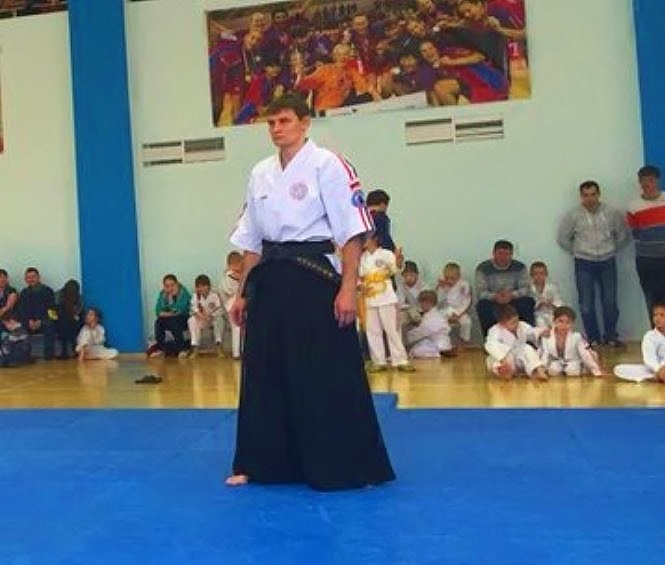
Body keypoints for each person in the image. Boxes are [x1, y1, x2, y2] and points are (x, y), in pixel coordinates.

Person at [225, 93, 395, 491]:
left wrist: (348, 289)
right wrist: (243, 292)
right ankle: (260, 462)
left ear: (305, 123)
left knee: (323, 372)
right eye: (271, 122)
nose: (276, 128)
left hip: (313, 276)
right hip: (269, 278)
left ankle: (344, 463)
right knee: (264, 373)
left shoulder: (329, 165)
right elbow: (251, 241)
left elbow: (351, 233)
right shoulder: (260, 173)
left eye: (284, 120)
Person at [557, 180, 628, 346]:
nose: (590, 199)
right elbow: (563, 238)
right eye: (586, 195)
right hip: (584, 263)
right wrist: (578, 251)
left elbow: (623, 234)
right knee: (586, 304)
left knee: (610, 302)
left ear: (599, 194)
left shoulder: (611, 213)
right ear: (581, 197)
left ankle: (611, 336)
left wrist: (612, 249)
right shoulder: (573, 215)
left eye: (593, 194)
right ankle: (593, 337)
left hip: (607, 261)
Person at [360, 232, 415, 373]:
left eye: (366, 238)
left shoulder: (386, 254)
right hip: (368, 295)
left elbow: (396, 268)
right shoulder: (361, 257)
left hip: (386, 296)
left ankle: (400, 360)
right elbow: (356, 275)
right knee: (372, 331)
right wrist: (359, 286)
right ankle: (379, 361)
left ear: (375, 239)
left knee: (392, 329)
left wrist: (399, 260)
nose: (363, 241)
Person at [626, 165, 665, 320]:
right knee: (652, 300)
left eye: (650, 180)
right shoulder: (633, 206)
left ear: (657, 181)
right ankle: (657, 333)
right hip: (646, 261)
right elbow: (634, 232)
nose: (646, 184)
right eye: (643, 181)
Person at [475, 239, 534, 336]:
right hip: (493, 300)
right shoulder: (483, 268)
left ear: (512, 254)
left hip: (513, 299)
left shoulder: (520, 267)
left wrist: (511, 295)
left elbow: (526, 289)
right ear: (493, 253)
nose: (503, 257)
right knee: (483, 306)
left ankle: (528, 339)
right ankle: (490, 339)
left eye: (507, 254)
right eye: (500, 254)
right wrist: (495, 296)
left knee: (527, 302)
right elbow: (480, 292)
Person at [484, 304, 548, 380]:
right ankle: (506, 372)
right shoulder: (494, 331)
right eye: (513, 323)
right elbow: (491, 345)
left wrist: (540, 332)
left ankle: (538, 370)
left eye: (517, 321)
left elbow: (531, 332)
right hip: (505, 359)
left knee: (527, 348)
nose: (517, 324)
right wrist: (502, 359)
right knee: (492, 361)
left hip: (521, 359)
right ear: (502, 324)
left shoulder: (522, 325)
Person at [539, 306, 602, 377]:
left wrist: (596, 370)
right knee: (553, 371)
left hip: (574, 360)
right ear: (554, 321)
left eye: (568, 322)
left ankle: (583, 367)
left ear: (572, 323)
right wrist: (542, 370)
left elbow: (585, 354)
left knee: (571, 371)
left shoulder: (577, 336)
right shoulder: (547, 335)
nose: (564, 325)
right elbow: (545, 354)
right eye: (560, 321)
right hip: (556, 361)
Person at [614, 301, 665, 383]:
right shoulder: (649, 336)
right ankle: (657, 376)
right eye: (655, 315)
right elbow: (649, 359)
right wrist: (659, 370)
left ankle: (657, 377)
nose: (657, 318)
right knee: (619, 369)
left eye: (662, 315)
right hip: (655, 369)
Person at [146, 274, 192, 358]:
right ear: (164, 286)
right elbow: (158, 311)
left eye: (172, 285)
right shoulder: (163, 294)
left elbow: (179, 310)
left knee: (174, 321)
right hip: (169, 319)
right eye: (167, 286)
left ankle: (183, 349)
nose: (170, 288)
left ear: (177, 284)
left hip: (183, 318)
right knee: (158, 322)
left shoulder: (183, 292)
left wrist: (171, 301)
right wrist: (170, 312)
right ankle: (162, 349)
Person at [17, 267, 56, 360]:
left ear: (38, 277)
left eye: (33, 277)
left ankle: (48, 356)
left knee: (49, 325)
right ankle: (24, 356)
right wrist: (29, 320)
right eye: (28, 277)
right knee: (18, 327)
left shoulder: (47, 291)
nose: (31, 279)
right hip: (28, 321)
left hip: (44, 320)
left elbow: (51, 309)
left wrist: (40, 320)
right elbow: (22, 310)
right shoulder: (24, 293)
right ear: (25, 279)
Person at [187, 274, 224, 358]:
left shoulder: (214, 295)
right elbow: (194, 309)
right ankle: (195, 349)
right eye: (199, 287)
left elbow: (219, 309)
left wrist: (211, 315)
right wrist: (202, 316)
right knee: (191, 320)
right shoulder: (195, 296)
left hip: (212, 319)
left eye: (203, 286)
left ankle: (219, 348)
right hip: (201, 320)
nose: (201, 289)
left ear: (209, 286)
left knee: (219, 320)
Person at [406, 290, 452, 358]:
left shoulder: (432, 316)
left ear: (428, 303)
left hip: (439, 344)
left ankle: (439, 353)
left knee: (415, 351)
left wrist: (407, 336)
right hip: (435, 341)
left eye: (421, 303)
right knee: (416, 347)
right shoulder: (432, 314)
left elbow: (422, 331)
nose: (420, 306)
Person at [436, 262, 472, 346]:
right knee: (438, 321)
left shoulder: (464, 285)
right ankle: (442, 341)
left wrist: (458, 314)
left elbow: (466, 301)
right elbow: (439, 301)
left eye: (452, 278)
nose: (449, 281)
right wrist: (441, 288)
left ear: (458, 276)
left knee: (467, 322)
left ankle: (464, 341)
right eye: (447, 278)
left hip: (459, 310)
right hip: (445, 310)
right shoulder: (443, 285)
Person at [220, 251, 243, 359]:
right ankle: (236, 353)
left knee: (241, 329)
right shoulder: (229, 274)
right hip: (231, 306)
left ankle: (241, 352)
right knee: (236, 328)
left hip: (239, 304)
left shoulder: (239, 273)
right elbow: (228, 291)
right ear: (230, 264)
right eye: (236, 264)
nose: (239, 267)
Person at [55, 279, 84, 359]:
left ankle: (75, 348)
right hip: (59, 318)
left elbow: (79, 310)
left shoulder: (79, 297)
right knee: (64, 323)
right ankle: (65, 351)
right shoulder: (59, 295)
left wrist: (75, 315)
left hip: (73, 318)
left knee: (78, 323)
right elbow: (55, 309)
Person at [529, 261, 562, 329]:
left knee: (556, 326)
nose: (539, 276)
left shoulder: (552, 287)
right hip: (537, 314)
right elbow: (529, 307)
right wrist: (539, 305)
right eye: (535, 274)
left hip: (551, 312)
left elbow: (558, 302)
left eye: (541, 273)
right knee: (541, 326)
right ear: (531, 275)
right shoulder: (529, 289)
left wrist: (551, 304)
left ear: (546, 274)